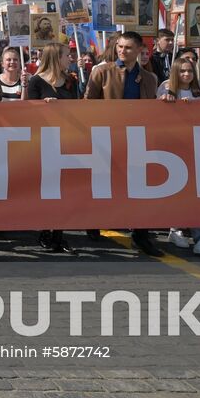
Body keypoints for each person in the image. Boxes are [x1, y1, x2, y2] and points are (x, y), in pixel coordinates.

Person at [84, 31, 163, 257]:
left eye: (128, 47)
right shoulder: (102, 71)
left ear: (139, 50)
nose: (122, 51)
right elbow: (87, 104)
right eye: (120, 46)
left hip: (137, 140)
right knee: (103, 185)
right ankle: (94, 221)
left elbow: (153, 110)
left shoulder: (150, 79)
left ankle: (141, 235)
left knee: (139, 189)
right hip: (106, 138)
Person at [23, 42, 79, 255]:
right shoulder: (36, 81)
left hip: (67, 140)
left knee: (64, 190)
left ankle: (59, 234)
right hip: (45, 143)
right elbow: (29, 113)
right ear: (56, 58)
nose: (70, 58)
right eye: (67, 55)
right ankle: (46, 230)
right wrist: (43, 107)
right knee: (49, 189)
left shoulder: (71, 81)